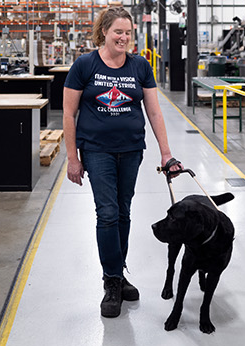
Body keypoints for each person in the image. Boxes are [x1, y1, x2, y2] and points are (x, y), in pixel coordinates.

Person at [64, 6, 183, 318]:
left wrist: (166, 152)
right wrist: (72, 158)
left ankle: (118, 272)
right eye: (118, 31)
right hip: (96, 150)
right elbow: (68, 114)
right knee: (107, 213)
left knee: (124, 212)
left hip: (131, 150)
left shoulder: (140, 66)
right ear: (104, 31)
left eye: (128, 33)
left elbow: (154, 112)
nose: (124, 38)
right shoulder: (85, 65)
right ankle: (112, 282)